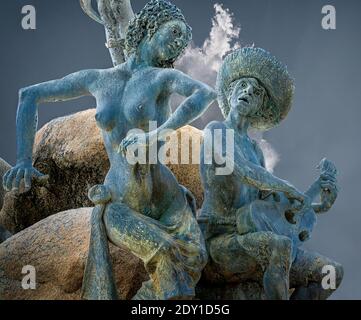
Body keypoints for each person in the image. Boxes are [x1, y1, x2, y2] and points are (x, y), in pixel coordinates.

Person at [3, 0, 215, 300]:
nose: (180, 43)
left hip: (168, 200)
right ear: (150, 27)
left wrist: (154, 135)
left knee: (194, 260)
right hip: (119, 200)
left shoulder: (163, 78)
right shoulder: (99, 80)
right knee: (165, 254)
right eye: (175, 32)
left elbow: (204, 93)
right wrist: (24, 158)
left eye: (184, 39)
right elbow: (29, 95)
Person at [199, 47, 343, 300]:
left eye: (256, 93)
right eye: (242, 86)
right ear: (231, 92)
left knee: (331, 272)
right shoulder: (216, 131)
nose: (247, 92)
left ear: (260, 107)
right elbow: (245, 170)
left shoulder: (256, 149)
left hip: (252, 234)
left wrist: (319, 205)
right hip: (219, 240)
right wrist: (287, 187)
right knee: (279, 246)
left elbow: (274, 206)